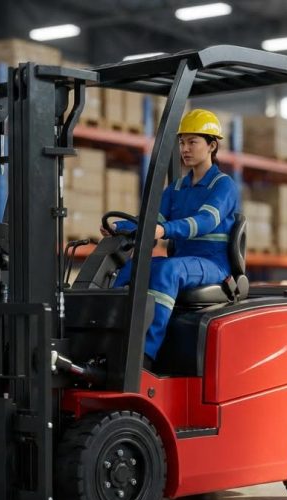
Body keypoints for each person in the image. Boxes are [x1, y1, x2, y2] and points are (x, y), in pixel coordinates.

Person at [102, 109, 240, 367]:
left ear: (211, 145)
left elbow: (205, 221)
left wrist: (165, 231)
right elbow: (154, 219)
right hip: (186, 262)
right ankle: (109, 340)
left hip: (213, 265)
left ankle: (145, 357)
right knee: (131, 266)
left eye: (192, 142)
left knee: (167, 268)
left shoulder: (223, 185)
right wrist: (119, 227)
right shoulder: (176, 187)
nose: (185, 149)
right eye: (181, 142)